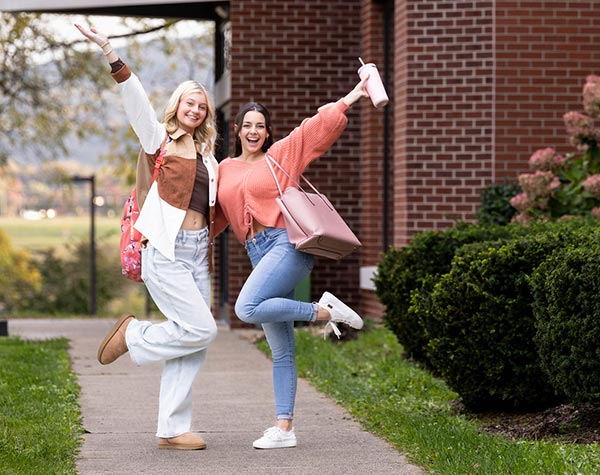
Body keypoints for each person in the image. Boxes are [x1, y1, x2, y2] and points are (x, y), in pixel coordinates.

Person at [75, 24, 219, 451]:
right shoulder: (160, 139)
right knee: (203, 329)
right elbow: (135, 99)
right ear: (177, 106)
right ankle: (134, 335)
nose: (196, 109)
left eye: (202, 105)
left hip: (198, 254)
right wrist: (110, 52)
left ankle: (172, 429)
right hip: (166, 251)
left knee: (191, 342)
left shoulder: (209, 155)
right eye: (190, 102)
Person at [215, 77, 370, 449]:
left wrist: (353, 95)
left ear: (268, 133)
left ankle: (323, 310)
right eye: (247, 126)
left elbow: (314, 129)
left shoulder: (280, 155)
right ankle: (285, 429)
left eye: (260, 126)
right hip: (257, 253)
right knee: (282, 350)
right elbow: (214, 216)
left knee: (246, 306)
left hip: (288, 245)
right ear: (236, 131)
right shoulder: (224, 168)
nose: (253, 131)